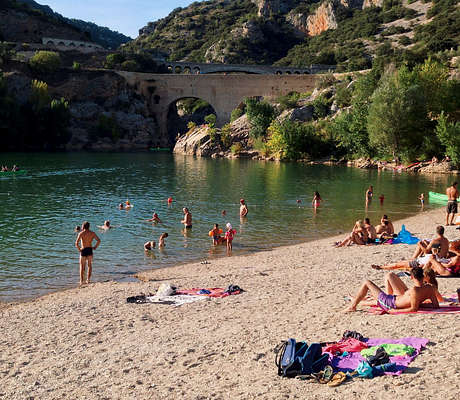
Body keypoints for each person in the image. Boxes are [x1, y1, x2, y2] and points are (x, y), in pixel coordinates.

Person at [344, 267, 439, 313]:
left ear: (412, 277)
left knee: (367, 282)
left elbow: (413, 309)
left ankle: (353, 305)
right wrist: (421, 303)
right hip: (394, 298)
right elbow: (436, 306)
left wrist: (394, 311)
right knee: (375, 298)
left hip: (390, 303)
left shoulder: (414, 290)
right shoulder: (430, 288)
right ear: (423, 276)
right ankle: (355, 300)